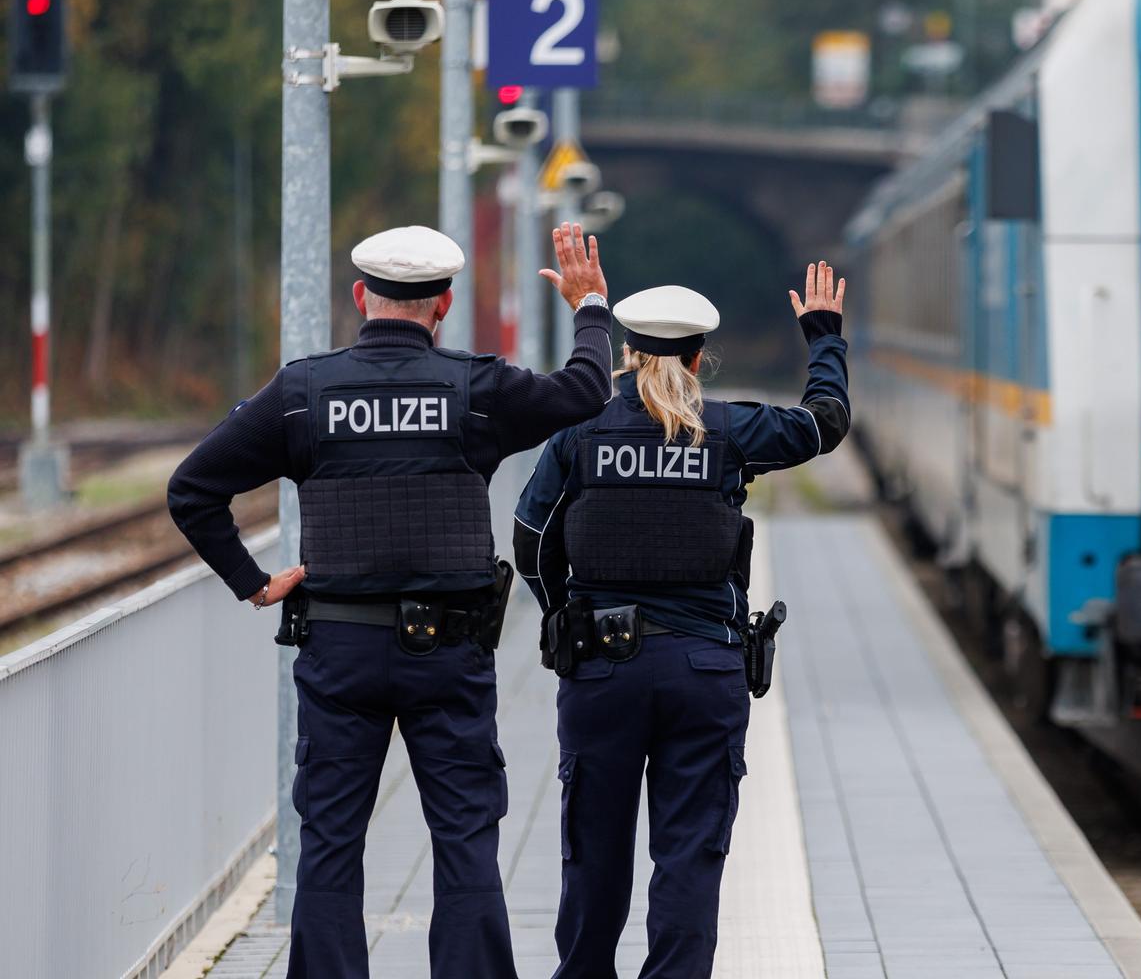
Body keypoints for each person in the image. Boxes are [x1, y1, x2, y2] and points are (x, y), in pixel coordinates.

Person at [168, 223, 615, 979]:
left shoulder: (303, 393)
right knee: (465, 839)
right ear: (444, 305)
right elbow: (585, 390)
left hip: (338, 652)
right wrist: (591, 305)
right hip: (449, 652)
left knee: (332, 845)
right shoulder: (478, 390)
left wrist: (255, 582)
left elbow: (193, 489)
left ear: (359, 298)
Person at [513, 262, 851, 978]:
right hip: (704, 671)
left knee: (593, 855)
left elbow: (530, 538)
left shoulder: (579, 432)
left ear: (629, 353)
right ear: (700, 357)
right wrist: (824, 338)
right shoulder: (729, 431)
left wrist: (563, 617)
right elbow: (824, 425)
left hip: (601, 670)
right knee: (690, 857)